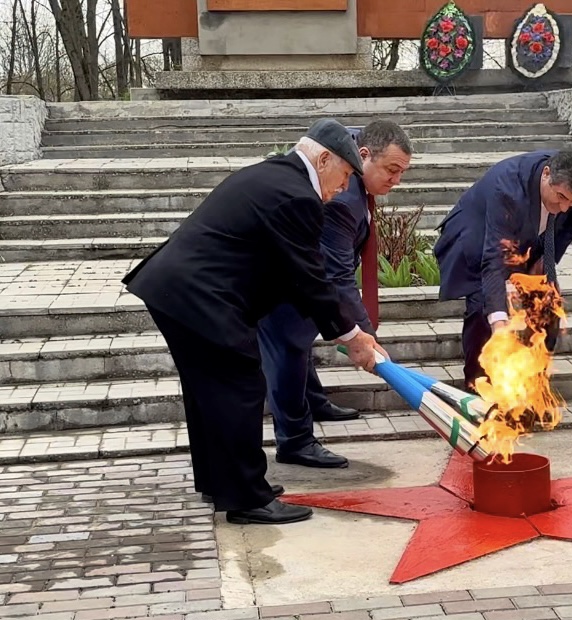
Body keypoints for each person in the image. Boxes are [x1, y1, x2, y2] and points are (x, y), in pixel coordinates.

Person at [122, 119, 387, 525]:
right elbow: (311, 277)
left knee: (208, 392)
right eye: (346, 175)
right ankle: (248, 498)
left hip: (178, 290)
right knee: (241, 385)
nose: (344, 187)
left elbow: (289, 272)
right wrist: (352, 336)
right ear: (323, 158)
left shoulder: (274, 174)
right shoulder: (297, 196)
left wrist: (340, 326)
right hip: (201, 296)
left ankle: (221, 482)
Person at [257, 121, 413, 469]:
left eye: (401, 172)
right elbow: (338, 275)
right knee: (289, 348)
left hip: (301, 275)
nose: (395, 181)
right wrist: (362, 335)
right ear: (364, 156)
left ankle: (313, 401)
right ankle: (295, 441)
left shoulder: (355, 157)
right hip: (282, 282)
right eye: (391, 170)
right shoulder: (343, 197)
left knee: (301, 341)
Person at [433, 149, 572, 388]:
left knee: (547, 305)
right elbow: (493, 259)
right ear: (546, 175)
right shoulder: (508, 189)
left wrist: (544, 260)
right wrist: (500, 324)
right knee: (484, 305)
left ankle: (533, 383)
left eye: (571, 201)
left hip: (529, 240)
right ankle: (478, 385)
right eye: (561, 197)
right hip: (476, 236)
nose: (564, 207)